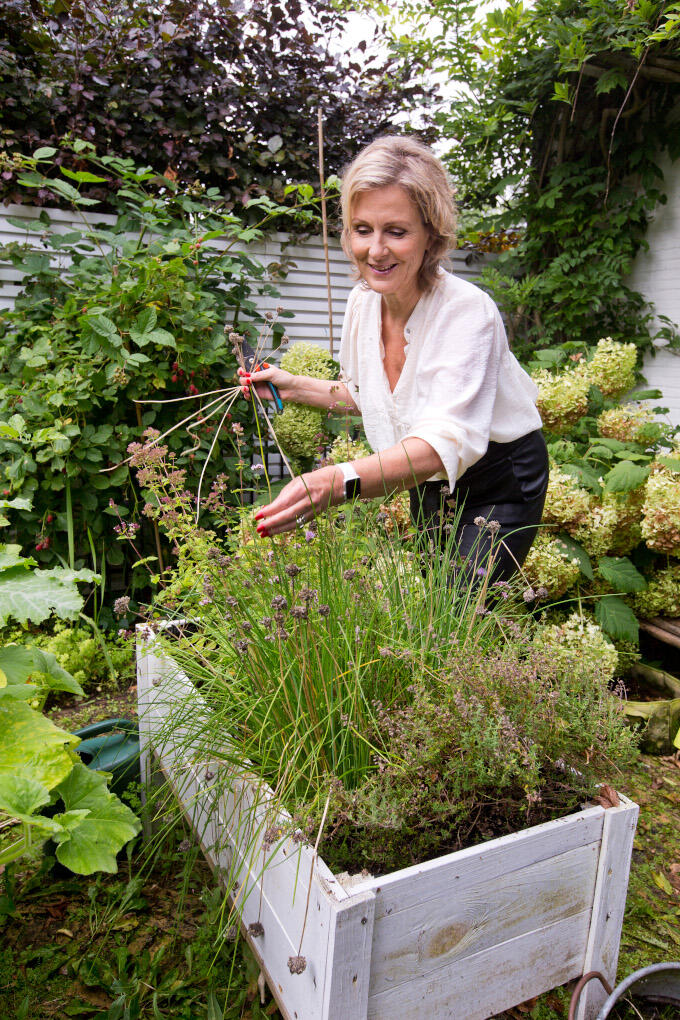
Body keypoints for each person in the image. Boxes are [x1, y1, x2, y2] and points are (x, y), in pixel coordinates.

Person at [238, 135, 548, 581]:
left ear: (431, 234)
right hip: (421, 476)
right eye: (363, 229)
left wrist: (338, 480)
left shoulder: (466, 311)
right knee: (428, 608)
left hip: (499, 480)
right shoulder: (363, 304)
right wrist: (295, 386)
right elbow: (372, 396)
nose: (375, 250)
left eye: (396, 232)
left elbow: (447, 442)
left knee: (462, 609)